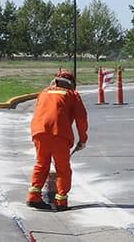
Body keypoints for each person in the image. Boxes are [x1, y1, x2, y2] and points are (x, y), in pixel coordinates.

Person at [26, 69, 88, 211]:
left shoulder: (44, 92)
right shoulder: (72, 95)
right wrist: (83, 139)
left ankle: (33, 196)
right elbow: (81, 119)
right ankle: (61, 201)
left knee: (41, 163)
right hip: (59, 134)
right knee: (62, 168)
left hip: (39, 131)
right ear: (71, 83)